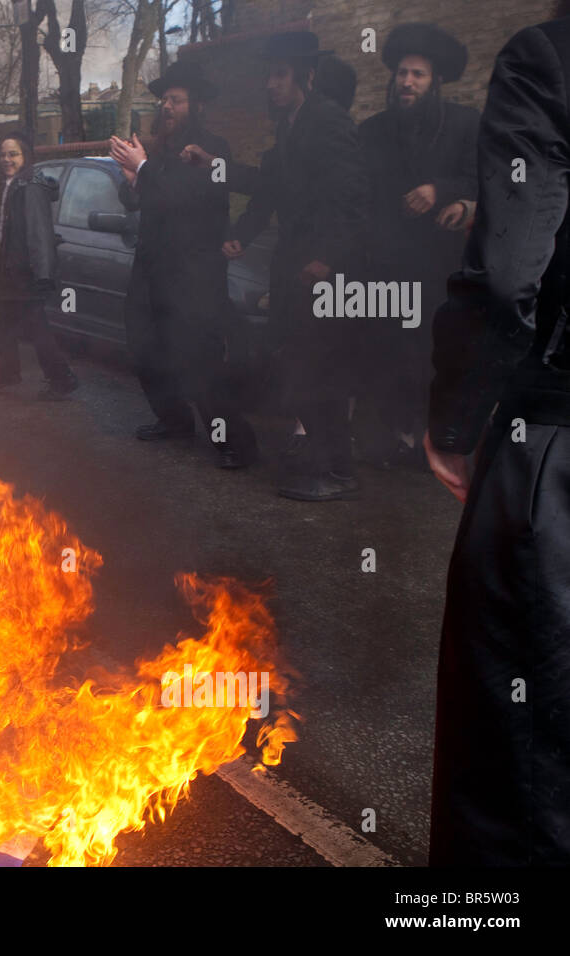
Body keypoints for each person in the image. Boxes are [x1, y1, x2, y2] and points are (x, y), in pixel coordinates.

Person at [424, 14, 570, 865]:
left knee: (517, 775)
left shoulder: (548, 56)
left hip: (554, 442)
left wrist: (455, 417)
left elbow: (511, 268)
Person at [223, 31, 367, 501]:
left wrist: (328, 258)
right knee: (299, 370)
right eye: (269, 74)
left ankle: (333, 470)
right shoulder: (290, 126)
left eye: (280, 74)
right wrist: (238, 229)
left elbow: (352, 199)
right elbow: (269, 190)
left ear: (306, 75)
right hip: (293, 267)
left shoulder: (329, 122)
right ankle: (333, 466)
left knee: (319, 372)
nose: (271, 84)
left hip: (324, 269)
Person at [109, 60, 255, 467]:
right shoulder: (161, 151)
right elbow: (138, 200)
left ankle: (236, 444)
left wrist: (143, 169)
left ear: (197, 107)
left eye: (176, 100)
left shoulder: (211, 151)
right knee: (145, 350)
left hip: (193, 275)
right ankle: (173, 420)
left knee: (197, 362)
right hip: (151, 270)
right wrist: (132, 177)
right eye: (164, 100)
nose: (167, 107)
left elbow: (178, 195)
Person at [360, 23, 478, 470]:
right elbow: (358, 193)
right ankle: (401, 439)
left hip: (440, 266)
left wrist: (440, 189)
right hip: (386, 264)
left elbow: (484, 178)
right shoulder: (373, 130)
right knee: (390, 356)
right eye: (402, 73)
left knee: (434, 359)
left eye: (418, 75)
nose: (407, 82)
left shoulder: (466, 124)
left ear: (436, 82)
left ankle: (432, 445)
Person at [0, 132, 79, 401]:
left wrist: (41, 273)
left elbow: (38, 231)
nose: (6, 159)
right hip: (6, 269)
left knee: (36, 328)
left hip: (24, 271)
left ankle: (62, 378)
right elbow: (1, 228)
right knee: (2, 324)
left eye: (13, 154)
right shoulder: (8, 184)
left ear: (26, 157)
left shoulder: (30, 186)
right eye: (3, 154)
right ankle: (9, 373)